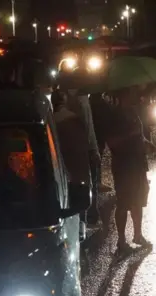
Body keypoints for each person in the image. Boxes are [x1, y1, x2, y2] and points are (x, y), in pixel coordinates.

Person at [107, 86, 154, 253]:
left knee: (138, 200)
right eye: (131, 92)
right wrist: (132, 136)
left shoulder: (133, 112)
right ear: (123, 95)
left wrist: (146, 142)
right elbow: (112, 142)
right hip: (124, 165)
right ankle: (121, 240)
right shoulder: (115, 116)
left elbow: (138, 135)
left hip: (138, 163)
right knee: (123, 202)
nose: (135, 95)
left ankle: (138, 235)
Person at [59, 71, 102, 228]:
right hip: (81, 148)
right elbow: (89, 128)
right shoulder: (82, 100)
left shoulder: (62, 100)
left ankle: (80, 220)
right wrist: (94, 149)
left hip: (68, 150)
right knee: (85, 183)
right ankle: (85, 218)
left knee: (75, 183)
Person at [51, 89, 91, 239]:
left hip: (61, 170)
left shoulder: (53, 121)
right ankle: (81, 229)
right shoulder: (73, 119)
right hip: (76, 169)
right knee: (79, 202)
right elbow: (84, 144)